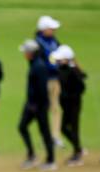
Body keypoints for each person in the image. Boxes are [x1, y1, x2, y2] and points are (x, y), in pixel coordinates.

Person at [17, 40, 56, 171]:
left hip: (38, 105)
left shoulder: (38, 66)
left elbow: (41, 90)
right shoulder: (34, 64)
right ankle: (32, 155)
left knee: (44, 131)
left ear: (31, 53)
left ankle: (51, 160)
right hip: (32, 103)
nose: (24, 54)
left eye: (25, 52)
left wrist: (35, 105)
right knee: (22, 127)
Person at [50, 45, 87, 166]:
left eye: (61, 59)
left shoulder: (72, 70)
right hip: (66, 104)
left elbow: (81, 87)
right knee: (64, 128)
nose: (59, 60)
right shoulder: (63, 69)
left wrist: (71, 96)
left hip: (73, 104)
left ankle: (77, 154)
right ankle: (78, 148)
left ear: (67, 59)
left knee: (74, 128)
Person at [35, 15, 63, 148]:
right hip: (43, 81)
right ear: (43, 29)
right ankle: (46, 137)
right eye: (51, 28)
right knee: (43, 109)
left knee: (55, 108)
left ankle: (55, 137)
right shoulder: (37, 44)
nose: (53, 30)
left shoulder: (54, 41)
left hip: (55, 79)